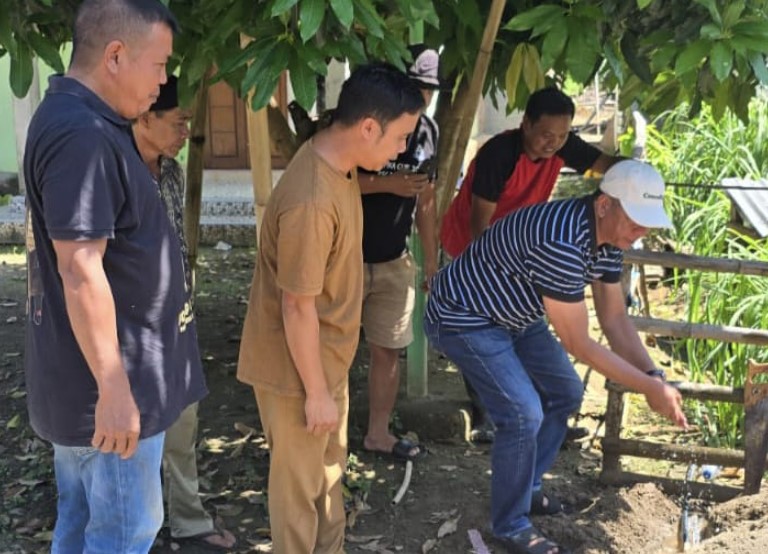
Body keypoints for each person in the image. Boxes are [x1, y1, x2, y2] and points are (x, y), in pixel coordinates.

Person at [425, 160, 688, 554]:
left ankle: (525, 487)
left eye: (646, 223)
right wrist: (649, 387)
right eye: (636, 221)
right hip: (465, 315)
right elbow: (578, 343)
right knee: (522, 412)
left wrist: (653, 374)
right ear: (604, 205)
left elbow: (614, 320)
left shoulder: (610, 239)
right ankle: (510, 523)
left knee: (565, 391)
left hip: (515, 312)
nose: (641, 233)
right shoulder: (563, 241)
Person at [23, 1, 207, 552]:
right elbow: (80, 270)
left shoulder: (89, 123)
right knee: (124, 533)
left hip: (100, 389)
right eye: (159, 66)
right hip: (108, 397)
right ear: (116, 56)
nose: (164, 82)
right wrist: (115, 389)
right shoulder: (83, 135)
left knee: (84, 526)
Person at [237, 63, 424, 553]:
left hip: (324, 365)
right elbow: (297, 306)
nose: (402, 150)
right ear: (368, 127)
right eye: (401, 136)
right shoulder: (312, 200)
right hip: (297, 373)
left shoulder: (338, 166)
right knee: (299, 496)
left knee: (327, 481)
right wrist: (316, 392)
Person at [440, 86, 624, 443]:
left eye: (561, 136)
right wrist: (490, 276)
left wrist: (636, 176)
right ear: (525, 124)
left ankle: (548, 414)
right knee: (479, 327)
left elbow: (604, 165)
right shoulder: (499, 154)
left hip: (522, 248)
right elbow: (480, 224)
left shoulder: (562, 143)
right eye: (545, 135)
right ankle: (486, 416)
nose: (552, 143)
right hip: (474, 246)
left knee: (526, 326)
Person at [132, 76, 236, 551]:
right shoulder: (117, 173)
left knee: (183, 424)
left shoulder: (170, 171)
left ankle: (188, 520)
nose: (184, 133)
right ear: (143, 118)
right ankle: (139, 528)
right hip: (133, 335)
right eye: (177, 123)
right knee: (135, 437)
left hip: (178, 322)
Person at [359, 45, 440, 462]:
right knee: (327, 348)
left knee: (388, 348)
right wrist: (385, 185)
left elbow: (426, 200)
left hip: (394, 260)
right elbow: (336, 182)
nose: (423, 97)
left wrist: (432, 259)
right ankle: (318, 435)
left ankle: (377, 433)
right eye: (417, 88)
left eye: (428, 90)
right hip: (346, 261)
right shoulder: (364, 126)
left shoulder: (428, 132)